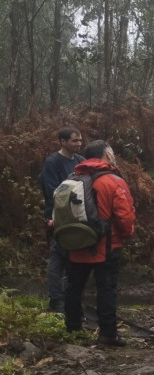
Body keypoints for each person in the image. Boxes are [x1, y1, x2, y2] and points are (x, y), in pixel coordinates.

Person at [64, 140, 135, 346]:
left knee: (74, 287)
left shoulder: (74, 178)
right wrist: (127, 234)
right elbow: (125, 216)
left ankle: (73, 328)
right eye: (111, 151)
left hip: (76, 243)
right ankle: (108, 334)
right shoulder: (113, 180)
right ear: (106, 154)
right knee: (106, 289)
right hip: (106, 245)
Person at [42, 127, 84, 313]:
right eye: (74, 140)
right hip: (57, 216)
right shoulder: (53, 162)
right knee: (58, 257)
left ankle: (70, 299)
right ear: (63, 141)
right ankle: (55, 300)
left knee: (74, 259)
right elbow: (52, 190)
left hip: (77, 216)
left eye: (80, 140)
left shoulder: (81, 161)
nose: (78, 144)